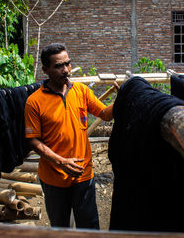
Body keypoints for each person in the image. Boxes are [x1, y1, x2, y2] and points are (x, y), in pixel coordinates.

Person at [24, 43, 116, 229]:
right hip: (54, 178)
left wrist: (122, 98)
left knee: (90, 227)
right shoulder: (34, 102)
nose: (66, 70)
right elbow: (33, 140)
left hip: (84, 175)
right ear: (45, 69)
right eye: (58, 66)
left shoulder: (81, 91)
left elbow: (105, 114)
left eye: (68, 63)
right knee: (61, 227)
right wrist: (61, 162)